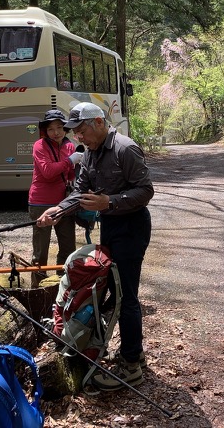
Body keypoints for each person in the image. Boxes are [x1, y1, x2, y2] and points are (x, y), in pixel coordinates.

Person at [37, 102, 154, 391]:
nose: (78, 138)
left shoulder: (125, 149)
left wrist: (110, 202)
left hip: (132, 225)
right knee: (114, 290)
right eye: (75, 133)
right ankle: (134, 351)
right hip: (111, 225)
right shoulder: (90, 153)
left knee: (126, 295)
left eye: (81, 130)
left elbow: (146, 190)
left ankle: (131, 368)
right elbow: (79, 190)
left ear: (99, 122)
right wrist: (58, 210)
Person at [28, 109, 82, 279]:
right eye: (51, 129)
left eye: (59, 127)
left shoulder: (69, 145)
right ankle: (37, 289)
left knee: (67, 247)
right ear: (45, 130)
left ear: (65, 128)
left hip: (64, 202)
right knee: (40, 250)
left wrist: (74, 173)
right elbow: (48, 172)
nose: (56, 132)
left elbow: (70, 174)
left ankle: (63, 284)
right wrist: (70, 160)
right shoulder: (39, 145)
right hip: (40, 202)